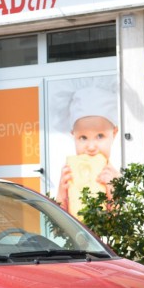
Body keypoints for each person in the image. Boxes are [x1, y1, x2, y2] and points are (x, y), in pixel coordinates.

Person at [56, 85, 120, 214]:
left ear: (114, 133)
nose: (91, 147)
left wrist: (113, 192)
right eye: (83, 137)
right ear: (73, 135)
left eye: (100, 136)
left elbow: (123, 225)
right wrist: (61, 194)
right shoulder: (69, 176)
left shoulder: (117, 177)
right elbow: (58, 224)